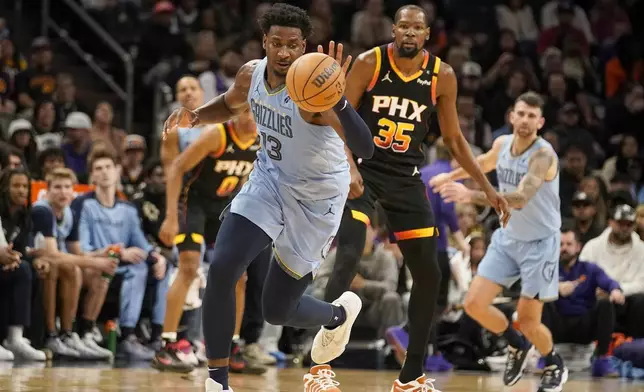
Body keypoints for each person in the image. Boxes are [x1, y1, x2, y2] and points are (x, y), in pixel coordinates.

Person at [164, 4, 376, 391]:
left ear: (303, 46)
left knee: (277, 310)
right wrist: (195, 117)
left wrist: (342, 101)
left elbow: (367, 147)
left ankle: (336, 316)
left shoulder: (317, 96)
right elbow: (230, 104)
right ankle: (217, 382)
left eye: (292, 45)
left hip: (318, 198)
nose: (283, 52)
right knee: (223, 268)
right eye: (275, 43)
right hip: (269, 180)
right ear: (264, 42)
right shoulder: (251, 74)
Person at [322, 5, 509, 390]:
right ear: (393, 30)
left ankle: (411, 376)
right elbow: (340, 116)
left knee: (429, 274)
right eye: (403, 25)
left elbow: (454, 139)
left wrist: (487, 189)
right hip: (365, 171)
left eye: (417, 27)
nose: (409, 32)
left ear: (427, 35)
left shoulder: (442, 75)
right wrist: (350, 168)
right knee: (348, 257)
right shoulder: (370, 63)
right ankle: (320, 367)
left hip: (406, 178)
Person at [431, 91, 569, 392]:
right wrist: (449, 176)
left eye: (532, 116)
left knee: (530, 321)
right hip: (509, 238)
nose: (525, 120)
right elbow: (483, 162)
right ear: (511, 116)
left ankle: (554, 362)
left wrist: (470, 194)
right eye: (521, 114)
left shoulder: (543, 155)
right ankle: (516, 345)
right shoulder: (502, 143)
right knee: (473, 304)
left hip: (540, 243)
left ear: (541, 122)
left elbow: (519, 198)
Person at [154, 76, 267, 374]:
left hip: (222, 207)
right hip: (194, 204)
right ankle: (167, 343)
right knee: (189, 268)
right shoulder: (217, 134)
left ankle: (231, 344)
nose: (250, 117)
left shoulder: (261, 140)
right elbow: (177, 167)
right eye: (244, 111)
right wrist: (169, 215)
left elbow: (248, 179)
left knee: (240, 276)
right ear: (234, 113)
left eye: (254, 111)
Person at [72, 147, 168, 360]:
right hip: (96, 265)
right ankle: (127, 335)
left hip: (124, 267)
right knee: (138, 268)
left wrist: (157, 256)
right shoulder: (83, 205)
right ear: (92, 175)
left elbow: (142, 244)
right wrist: (118, 252)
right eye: (98, 168)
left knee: (159, 266)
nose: (104, 172)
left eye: (108, 167)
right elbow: (83, 250)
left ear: (117, 171)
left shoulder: (128, 209)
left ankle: (158, 335)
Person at [30, 168, 116, 359]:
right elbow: (52, 254)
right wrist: (94, 262)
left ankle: (85, 332)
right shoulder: (42, 211)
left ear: (73, 190)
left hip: (58, 263)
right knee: (71, 268)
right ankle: (54, 334)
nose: (63, 192)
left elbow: (77, 252)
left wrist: (99, 256)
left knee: (99, 274)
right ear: (48, 190)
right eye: (57, 187)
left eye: (67, 187)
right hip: (36, 261)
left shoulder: (70, 212)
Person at [544, 228, 623, 377]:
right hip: (559, 325)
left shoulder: (589, 269)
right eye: (561, 244)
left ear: (578, 247)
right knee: (541, 301)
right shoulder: (549, 269)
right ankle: (545, 357)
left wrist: (615, 290)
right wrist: (555, 289)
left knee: (605, 304)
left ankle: (602, 360)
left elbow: (608, 281)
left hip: (584, 325)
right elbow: (530, 288)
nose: (564, 248)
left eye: (569, 244)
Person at [0, 168, 46, 361]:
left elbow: (18, 249)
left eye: (25, 186)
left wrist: (25, 259)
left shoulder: (24, 216)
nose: (22, 190)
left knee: (26, 269)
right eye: (16, 186)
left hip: (5, 266)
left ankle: (15, 338)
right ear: (4, 189)